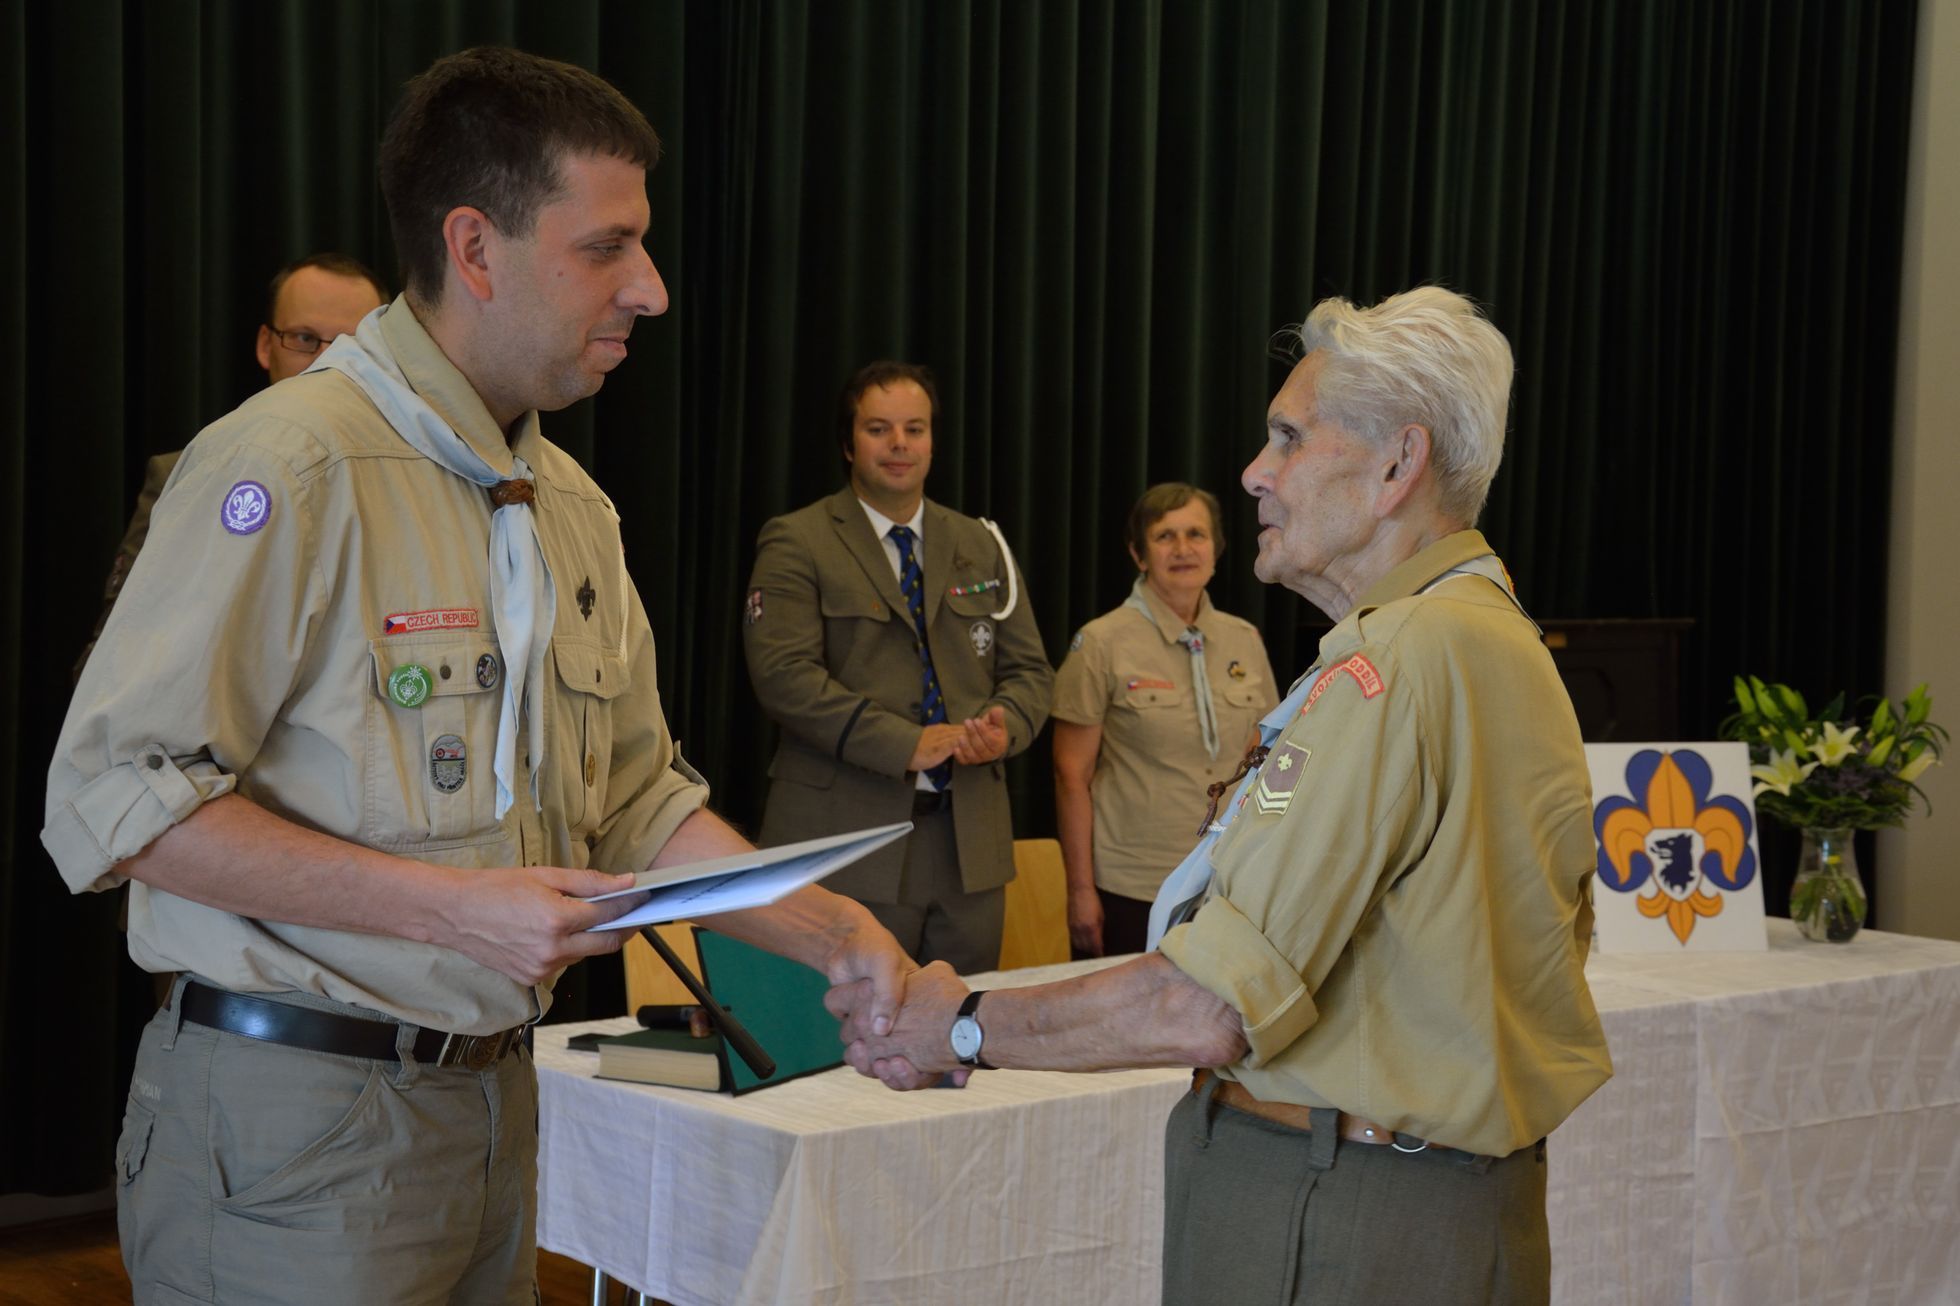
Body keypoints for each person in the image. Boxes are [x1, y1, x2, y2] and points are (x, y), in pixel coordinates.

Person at [44, 48, 910, 1305]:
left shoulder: (569, 506)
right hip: (302, 1127)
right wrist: (454, 909)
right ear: (476, 245)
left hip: (497, 1107)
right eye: (607, 247)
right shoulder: (291, 466)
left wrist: (835, 934)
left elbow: (633, 803)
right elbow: (117, 799)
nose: (652, 290)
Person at [833, 288, 1613, 1305]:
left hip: (1341, 1212)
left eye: (1288, 436)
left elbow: (1206, 1006)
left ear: (1395, 465)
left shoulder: (1402, 662)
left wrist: (961, 1021)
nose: (1253, 471)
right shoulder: (1480, 628)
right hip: (1401, 1196)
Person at [743, 361, 1054, 975]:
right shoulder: (797, 539)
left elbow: (1031, 673)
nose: (899, 445)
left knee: (956, 1045)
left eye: (915, 429)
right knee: (841, 1047)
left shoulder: (980, 541)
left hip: (969, 850)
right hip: (847, 841)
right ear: (847, 442)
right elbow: (784, 676)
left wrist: (1005, 726)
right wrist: (906, 743)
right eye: (879, 429)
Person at [73, 254, 389, 681]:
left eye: (351, 346)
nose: (326, 363)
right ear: (265, 345)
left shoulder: (405, 485)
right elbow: (105, 667)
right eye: (304, 339)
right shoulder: (187, 476)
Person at [1051, 483, 1277, 957]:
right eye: (1164, 536)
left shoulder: (1245, 639)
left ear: (1216, 549)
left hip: (1226, 881)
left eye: (1196, 534)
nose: (1182, 549)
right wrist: (1079, 891)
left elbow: (1268, 761)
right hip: (1133, 886)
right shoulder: (1100, 642)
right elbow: (1071, 775)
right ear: (1139, 554)